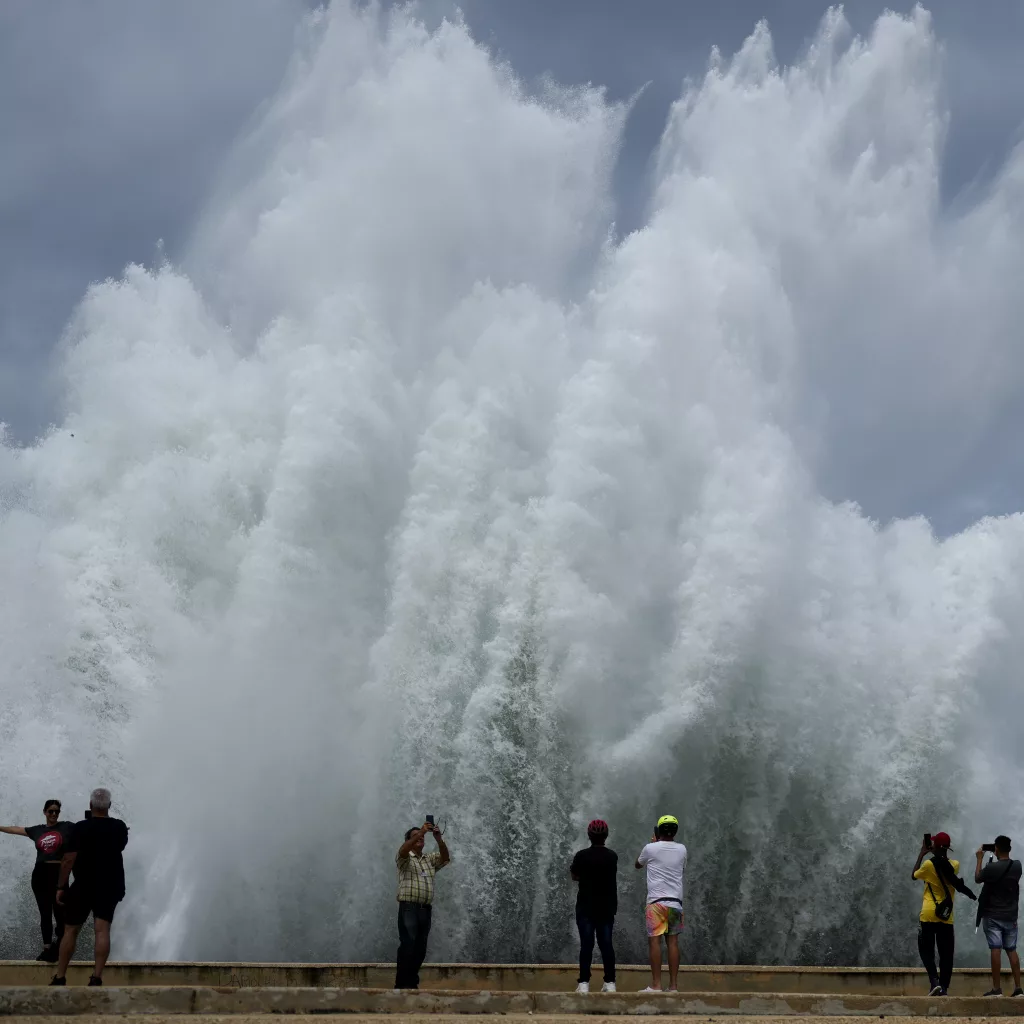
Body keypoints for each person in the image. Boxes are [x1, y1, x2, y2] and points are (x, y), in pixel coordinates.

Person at [49, 788, 129, 987]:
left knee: (70, 931)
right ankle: (97, 977)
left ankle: (60, 976)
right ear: (109, 806)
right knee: (102, 930)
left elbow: (68, 860)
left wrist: (60, 886)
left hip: (83, 885)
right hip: (109, 885)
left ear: (90, 805)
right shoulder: (119, 827)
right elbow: (120, 846)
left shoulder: (79, 828)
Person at [0, 799, 74, 961]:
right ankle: (47, 948)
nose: (54, 814)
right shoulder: (37, 830)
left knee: (60, 912)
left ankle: (59, 944)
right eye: (50, 811)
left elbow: (87, 829)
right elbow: (15, 829)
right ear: (45, 812)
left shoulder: (66, 827)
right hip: (40, 874)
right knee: (45, 912)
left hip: (58, 873)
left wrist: (110, 829)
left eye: (56, 811)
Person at [912, 831, 976, 996]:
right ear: (948, 847)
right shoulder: (954, 865)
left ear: (934, 846)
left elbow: (914, 875)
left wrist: (922, 852)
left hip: (928, 913)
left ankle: (934, 981)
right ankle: (944, 988)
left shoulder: (928, 865)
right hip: (946, 915)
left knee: (926, 950)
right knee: (946, 954)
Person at [394, 821, 450, 990]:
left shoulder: (429, 859)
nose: (420, 838)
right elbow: (403, 850)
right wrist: (421, 831)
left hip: (425, 910)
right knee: (408, 945)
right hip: (409, 908)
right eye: (415, 836)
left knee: (420, 949)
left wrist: (439, 839)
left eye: (421, 836)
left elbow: (445, 858)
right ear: (409, 840)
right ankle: (401, 985)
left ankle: (411, 983)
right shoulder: (404, 858)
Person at [635, 814, 687, 993]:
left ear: (658, 830)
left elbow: (638, 865)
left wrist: (654, 843)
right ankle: (673, 986)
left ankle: (656, 985)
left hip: (656, 903)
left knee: (655, 943)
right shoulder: (682, 849)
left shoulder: (650, 848)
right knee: (673, 943)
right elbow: (681, 868)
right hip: (675, 903)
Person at [570, 819, 617, 994]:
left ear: (589, 836)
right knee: (606, 945)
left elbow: (575, 876)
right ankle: (610, 982)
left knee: (586, 945)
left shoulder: (581, 856)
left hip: (585, 907)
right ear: (606, 836)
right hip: (606, 907)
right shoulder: (612, 856)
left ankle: (584, 983)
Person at [974, 836, 1023, 997]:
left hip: (993, 915)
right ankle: (1018, 988)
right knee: (1011, 950)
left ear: (996, 849)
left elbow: (977, 878)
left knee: (996, 949)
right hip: (1011, 915)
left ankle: (996, 989)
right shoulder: (1017, 866)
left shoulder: (991, 868)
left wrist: (980, 859)